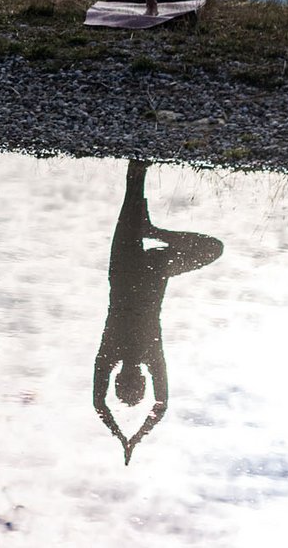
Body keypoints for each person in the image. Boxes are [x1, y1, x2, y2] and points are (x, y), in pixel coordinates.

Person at [91, 160, 223, 465]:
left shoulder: (150, 356)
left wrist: (134, 437)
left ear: (141, 381)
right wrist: (124, 435)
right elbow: (99, 404)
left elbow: (160, 405)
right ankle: (148, 215)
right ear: (119, 380)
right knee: (132, 194)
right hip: (132, 269)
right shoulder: (110, 355)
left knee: (213, 248)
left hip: (150, 269)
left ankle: (151, 222)